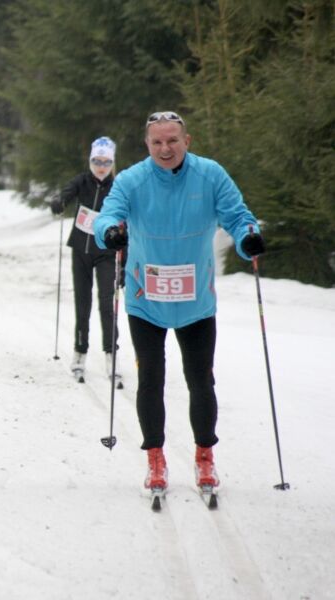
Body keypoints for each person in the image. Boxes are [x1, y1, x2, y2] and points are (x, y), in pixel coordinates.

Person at [93, 111, 266, 494]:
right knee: (150, 382)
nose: (165, 148)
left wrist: (248, 237)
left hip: (196, 302)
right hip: (146, 300)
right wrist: (112, 232)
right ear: (147, 144)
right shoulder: (133, 179)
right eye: (157, 142)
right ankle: (155, 459)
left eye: (172, 140)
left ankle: (205, 456)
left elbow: (238, 216)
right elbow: (108, 216)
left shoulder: (210, 174)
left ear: (187, 141)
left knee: (201, 380)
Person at [51, 136, 121, 384]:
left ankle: (111, 353)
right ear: (90, 161)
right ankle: (80, 352)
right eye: (96, 161)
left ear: (112, 163)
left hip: (105, 251)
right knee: (83, 303)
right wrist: (59, 202)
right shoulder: (82, 181)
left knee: (106, 304)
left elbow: (127, 216)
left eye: (106, 162)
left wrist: (124, 260)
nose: (101, 166)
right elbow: (67, 194)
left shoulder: (118, 186)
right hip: (80, 248)